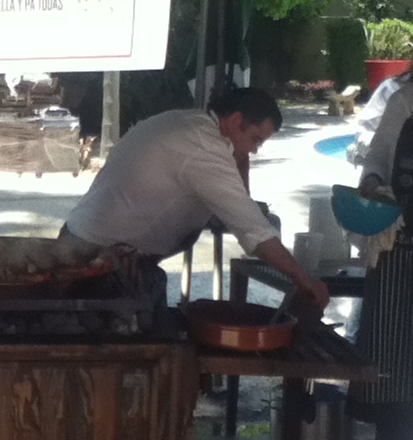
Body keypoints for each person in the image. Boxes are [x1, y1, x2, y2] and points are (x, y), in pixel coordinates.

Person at [61, 87, 330, 323]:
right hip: (96, 258)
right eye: (255, 139)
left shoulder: (192, 124)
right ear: (236, 121)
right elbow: (253, 229)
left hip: (94, 246)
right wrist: (302, 278)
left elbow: (238, 201)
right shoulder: (204, 147)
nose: (254, 150)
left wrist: (241, 156)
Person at [349, 76, 413, 440]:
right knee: (391, 361)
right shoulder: (405, 101)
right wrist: (373, 184)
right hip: (400, 244)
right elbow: (376, 159)